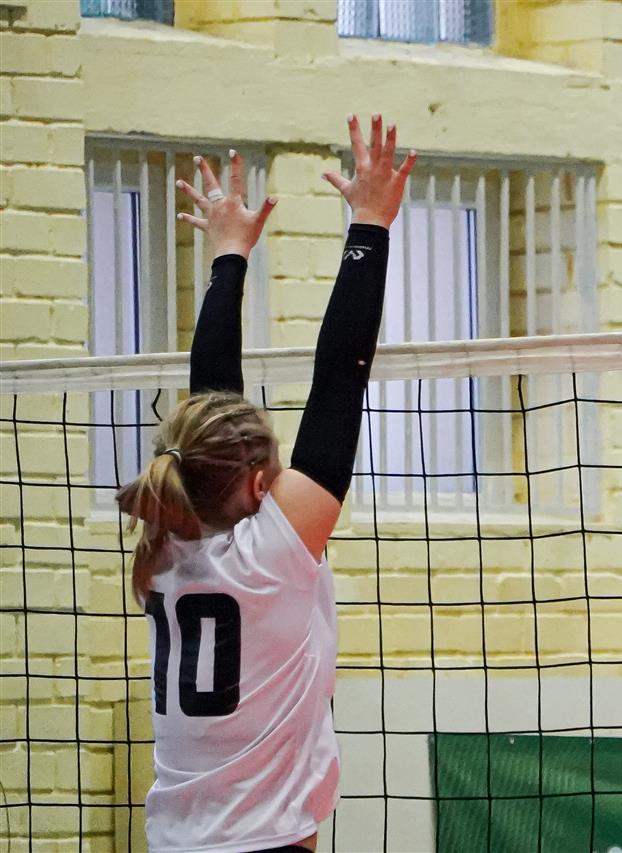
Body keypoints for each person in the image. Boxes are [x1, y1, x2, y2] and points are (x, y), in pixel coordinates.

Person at [116, 115, 415, 853]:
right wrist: (369, 225)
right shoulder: (267, 554)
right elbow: (340, 378)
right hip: (263, 842)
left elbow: (216, 413)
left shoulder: (165, 548)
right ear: (256, 486)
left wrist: (230, 254)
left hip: (178, 839)